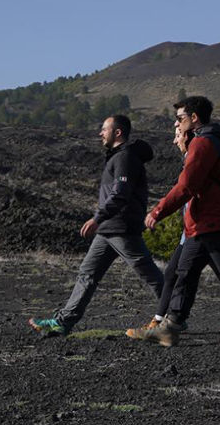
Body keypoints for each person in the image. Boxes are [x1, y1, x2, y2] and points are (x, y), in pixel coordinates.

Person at [141, 95, 220, 347]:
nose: (177, 125)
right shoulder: (219, 139)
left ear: (194, 118)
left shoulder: (203, 143)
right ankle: (171, 326)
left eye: (180, 119)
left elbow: (187, 185)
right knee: (185, 273)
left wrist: (158, 211)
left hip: (210, 221)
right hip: (210, 220)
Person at [29, 114, 163, 337]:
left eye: (104, 129)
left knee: (149, 274)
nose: (100, 133)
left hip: (121, 228)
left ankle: (175, 315)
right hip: (108, 230)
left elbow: (120, 194)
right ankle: (63, 322)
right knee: (87, 274)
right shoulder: (118, 157)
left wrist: (97, 218)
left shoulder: (125, 158)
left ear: (117, 132)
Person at [125, 120, 191, 340]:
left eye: (178, 134)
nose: (174, 140)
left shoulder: (198, 158)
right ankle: (164, 323)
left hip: (204, 230)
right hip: (193, 230)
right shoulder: (192, 158)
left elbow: (183, 190)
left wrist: (157, 212)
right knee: (174, 273)